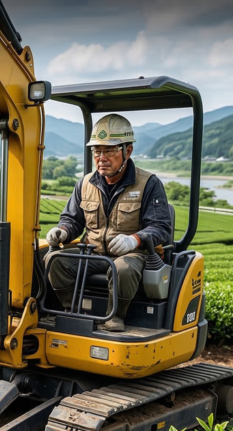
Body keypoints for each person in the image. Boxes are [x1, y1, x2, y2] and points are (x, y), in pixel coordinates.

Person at [46, 114, 172, 332]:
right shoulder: (85, 183)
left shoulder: (149, 184)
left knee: (121, 268)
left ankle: (115, 316)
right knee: (53, 259)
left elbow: (161, 227)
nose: (101, 157)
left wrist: (134, 240)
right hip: (93, 253)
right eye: (97, 151)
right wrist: (63, 231)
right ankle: (71, 310)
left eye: (109, 150)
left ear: (127, 151)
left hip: (133, 254)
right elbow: (72, 219)